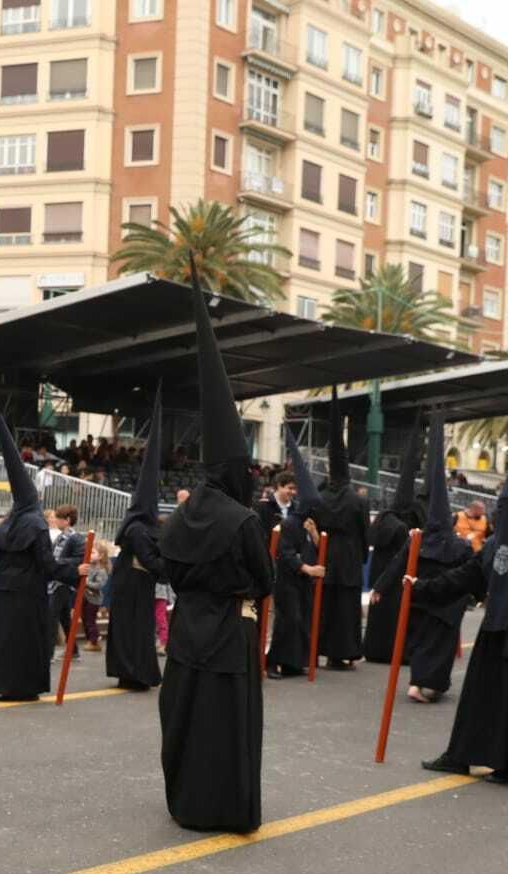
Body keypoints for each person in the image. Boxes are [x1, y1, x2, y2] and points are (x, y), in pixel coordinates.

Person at [158, 260, 273, 832]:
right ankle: (224, 806)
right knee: (225, 724)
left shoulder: (181, 516)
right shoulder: (244, 520)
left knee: (184, 715)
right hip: (230, 630)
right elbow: (266, 579)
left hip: (185, 630)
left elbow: (167, 564)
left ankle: (186, 802)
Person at [417, 368, 508, 784]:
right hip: (497, 631)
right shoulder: (498, 544)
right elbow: (468, 577)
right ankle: (462, 755)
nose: (504, 516)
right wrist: (419, 588)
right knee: (481, 698)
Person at [0, 395, 81, 701]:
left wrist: (0, 583)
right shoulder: (36, 525)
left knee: (2, 639)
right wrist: (76, 571)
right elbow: (47, 564)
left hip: (4, 590)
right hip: (28, 592)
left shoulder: (7, 524)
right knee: (25, 641)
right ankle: (20, 686)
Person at [369, 418, 473, 703]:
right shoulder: (460, 546)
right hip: (447, 605)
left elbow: (396, 566)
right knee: (438, 648)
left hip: (420, 600)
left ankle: (417, 682)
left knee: (422, 645)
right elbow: (471, 574)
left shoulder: (418, 540)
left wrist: (379, 588)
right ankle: (427, 686)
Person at [104, 388, 165, 691]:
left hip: (135, 585)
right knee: (134, 630)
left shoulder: (139, 527)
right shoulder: (138, 529)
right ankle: (133, 672)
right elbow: (151, 560)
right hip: (134, 585)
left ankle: (132, 671)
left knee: (133, 629)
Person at [308, 388, 368, 670]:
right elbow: (364, 531)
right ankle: (340, 654)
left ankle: (316, 650)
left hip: (325, 554)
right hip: (349, 558)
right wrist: (361, 555)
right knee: (345, 611)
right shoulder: (357, 500)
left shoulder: (320, 497)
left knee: (323, 607)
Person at [363, 426, 424, 664]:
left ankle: (376, 650)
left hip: (380, 572)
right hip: (395, 575)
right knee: (395, 614)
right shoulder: (401, 526)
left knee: (381, 616)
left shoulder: (383, 519)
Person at [267, 430, 324, 680]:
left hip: (302, 583)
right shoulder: (290, 524)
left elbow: (315, 549)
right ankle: (273, 662)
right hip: (288, 580)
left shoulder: (307, 525)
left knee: (302, 622)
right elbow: (287, 553)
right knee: (286, 622)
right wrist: (307, 569)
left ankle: (294, 662)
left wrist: (314, 536)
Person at [47, 505, 87, 659]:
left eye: (59, 518)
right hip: (57, 580)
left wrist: (58, 562)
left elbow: (79, 559)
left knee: (51, 616)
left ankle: (47, 653)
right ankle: (73, 649)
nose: (55, 520)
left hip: (64, 582)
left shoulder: (75, 538)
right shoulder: (60, 537)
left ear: (67, 520)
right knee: (64, 617)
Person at [82, 541, 110, 651]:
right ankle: (93, 639)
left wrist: (86, 582)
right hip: (85, 597)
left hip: (93, 599)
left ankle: (93, 641)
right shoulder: (89, 566)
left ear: (101, 556)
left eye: (92, 552)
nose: (89, 555)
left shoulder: (101, 570)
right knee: (85, 619)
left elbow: (99, 585)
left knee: (90, 620)